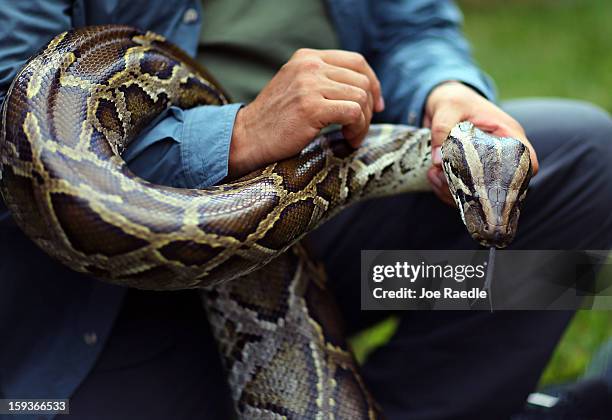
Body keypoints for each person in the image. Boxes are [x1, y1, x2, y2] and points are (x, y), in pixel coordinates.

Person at [0, 1, 611, 419]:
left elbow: (412, 29)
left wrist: (446, 88)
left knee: (584, 169)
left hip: (318, 221)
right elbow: (14, 106)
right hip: (94, 297)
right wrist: (238, 135)